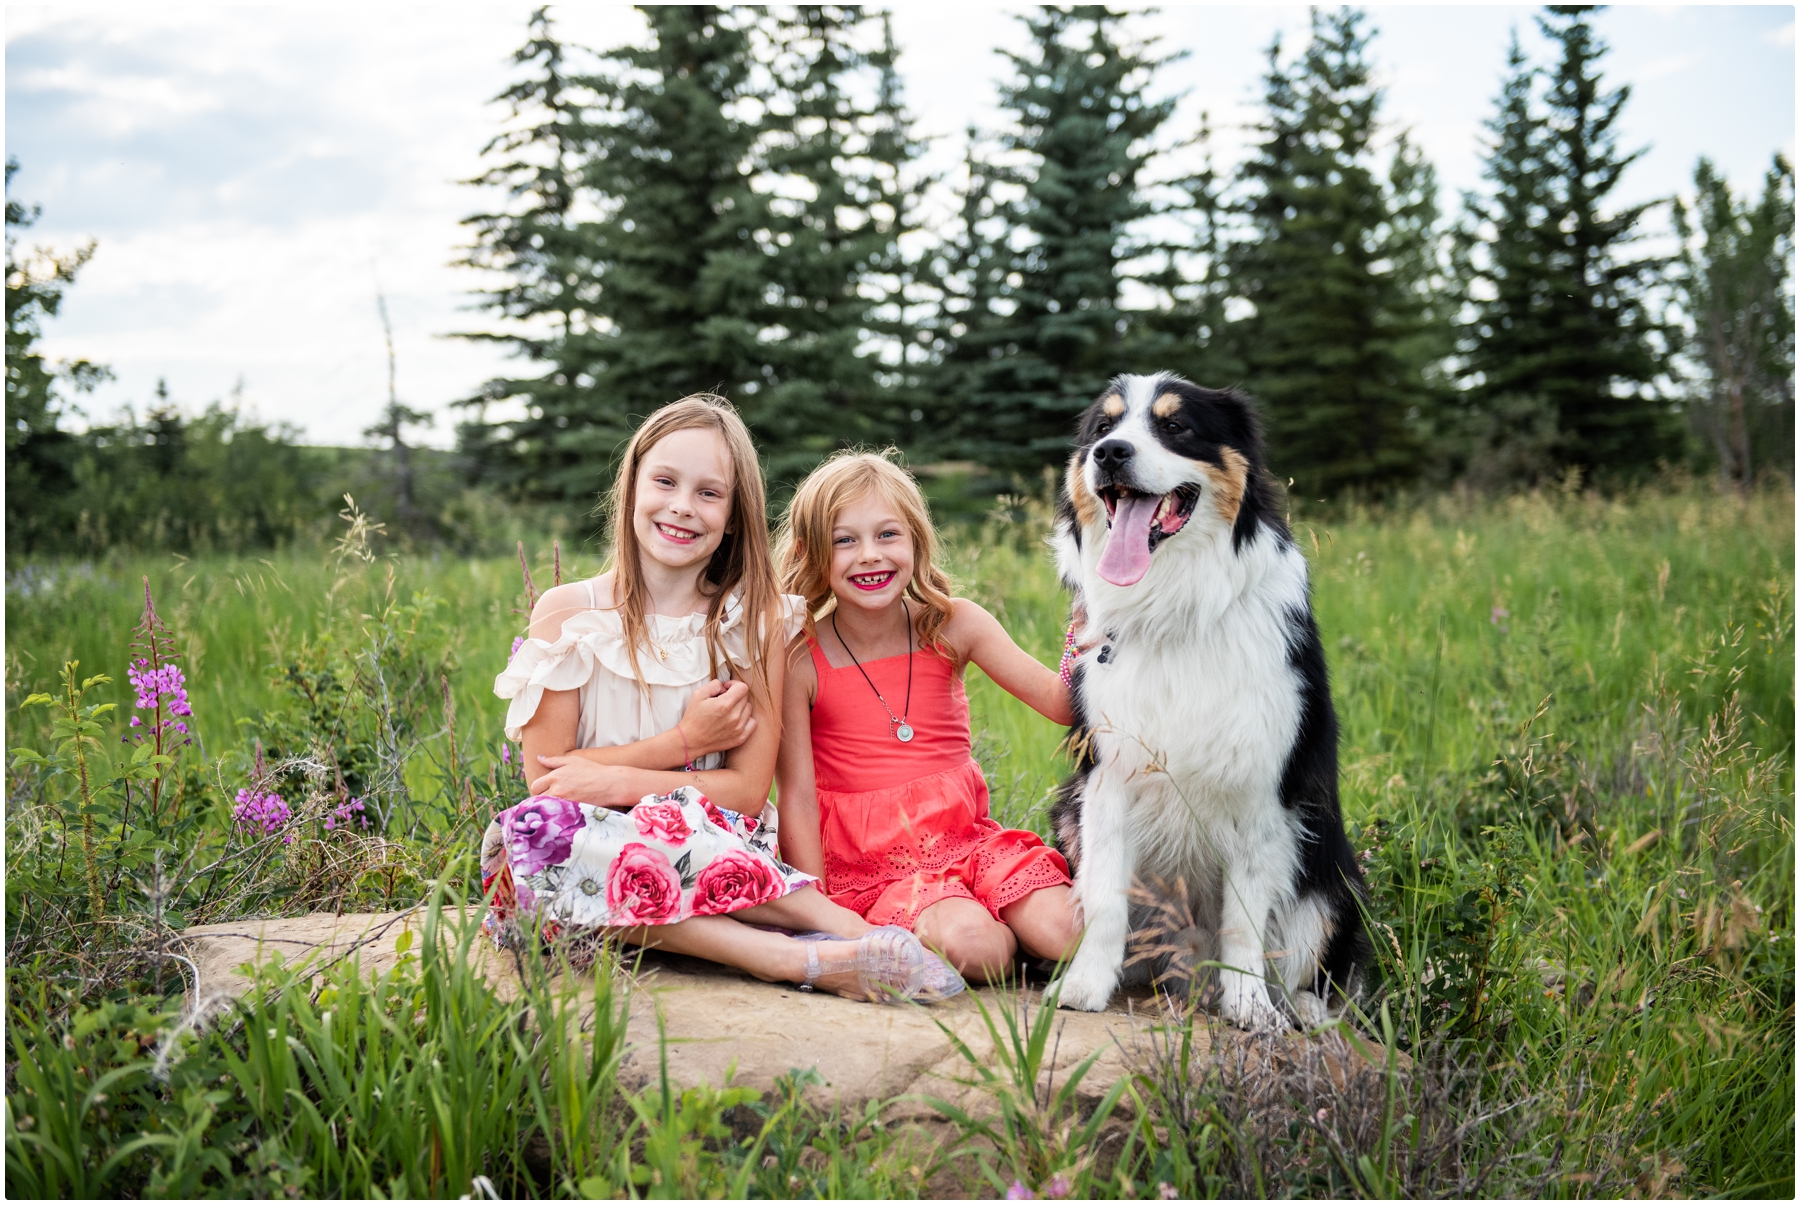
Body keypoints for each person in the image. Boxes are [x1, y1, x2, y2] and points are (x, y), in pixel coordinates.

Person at [481, 397, 946, 1003]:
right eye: (665, 482)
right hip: (584, 851)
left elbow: (747, 792)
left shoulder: (750, 622)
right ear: (632, 488)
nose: (681, 507)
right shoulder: (570, 615)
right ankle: (798, 954)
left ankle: (841, 935)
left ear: (733, 516)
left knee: (669, 824)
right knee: (538, 831)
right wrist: (685, 745)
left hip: (712, 844)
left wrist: (616, 780)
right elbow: (548, 784)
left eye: (708, 493)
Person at [775, 452, 1084, 983]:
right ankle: (984, 936)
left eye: (888, 534)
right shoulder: (800, 659)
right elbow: (798, 795)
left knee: (1071, 933)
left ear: (916, 539)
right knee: (976, 947)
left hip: (969, 841)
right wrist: (820, 913)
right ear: (812, 554)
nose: (869, 556)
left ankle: (1017, 931)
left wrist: (1086, 624)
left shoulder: (956, 624)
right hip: (875, 869)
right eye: (844, 540)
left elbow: (1061, 705)